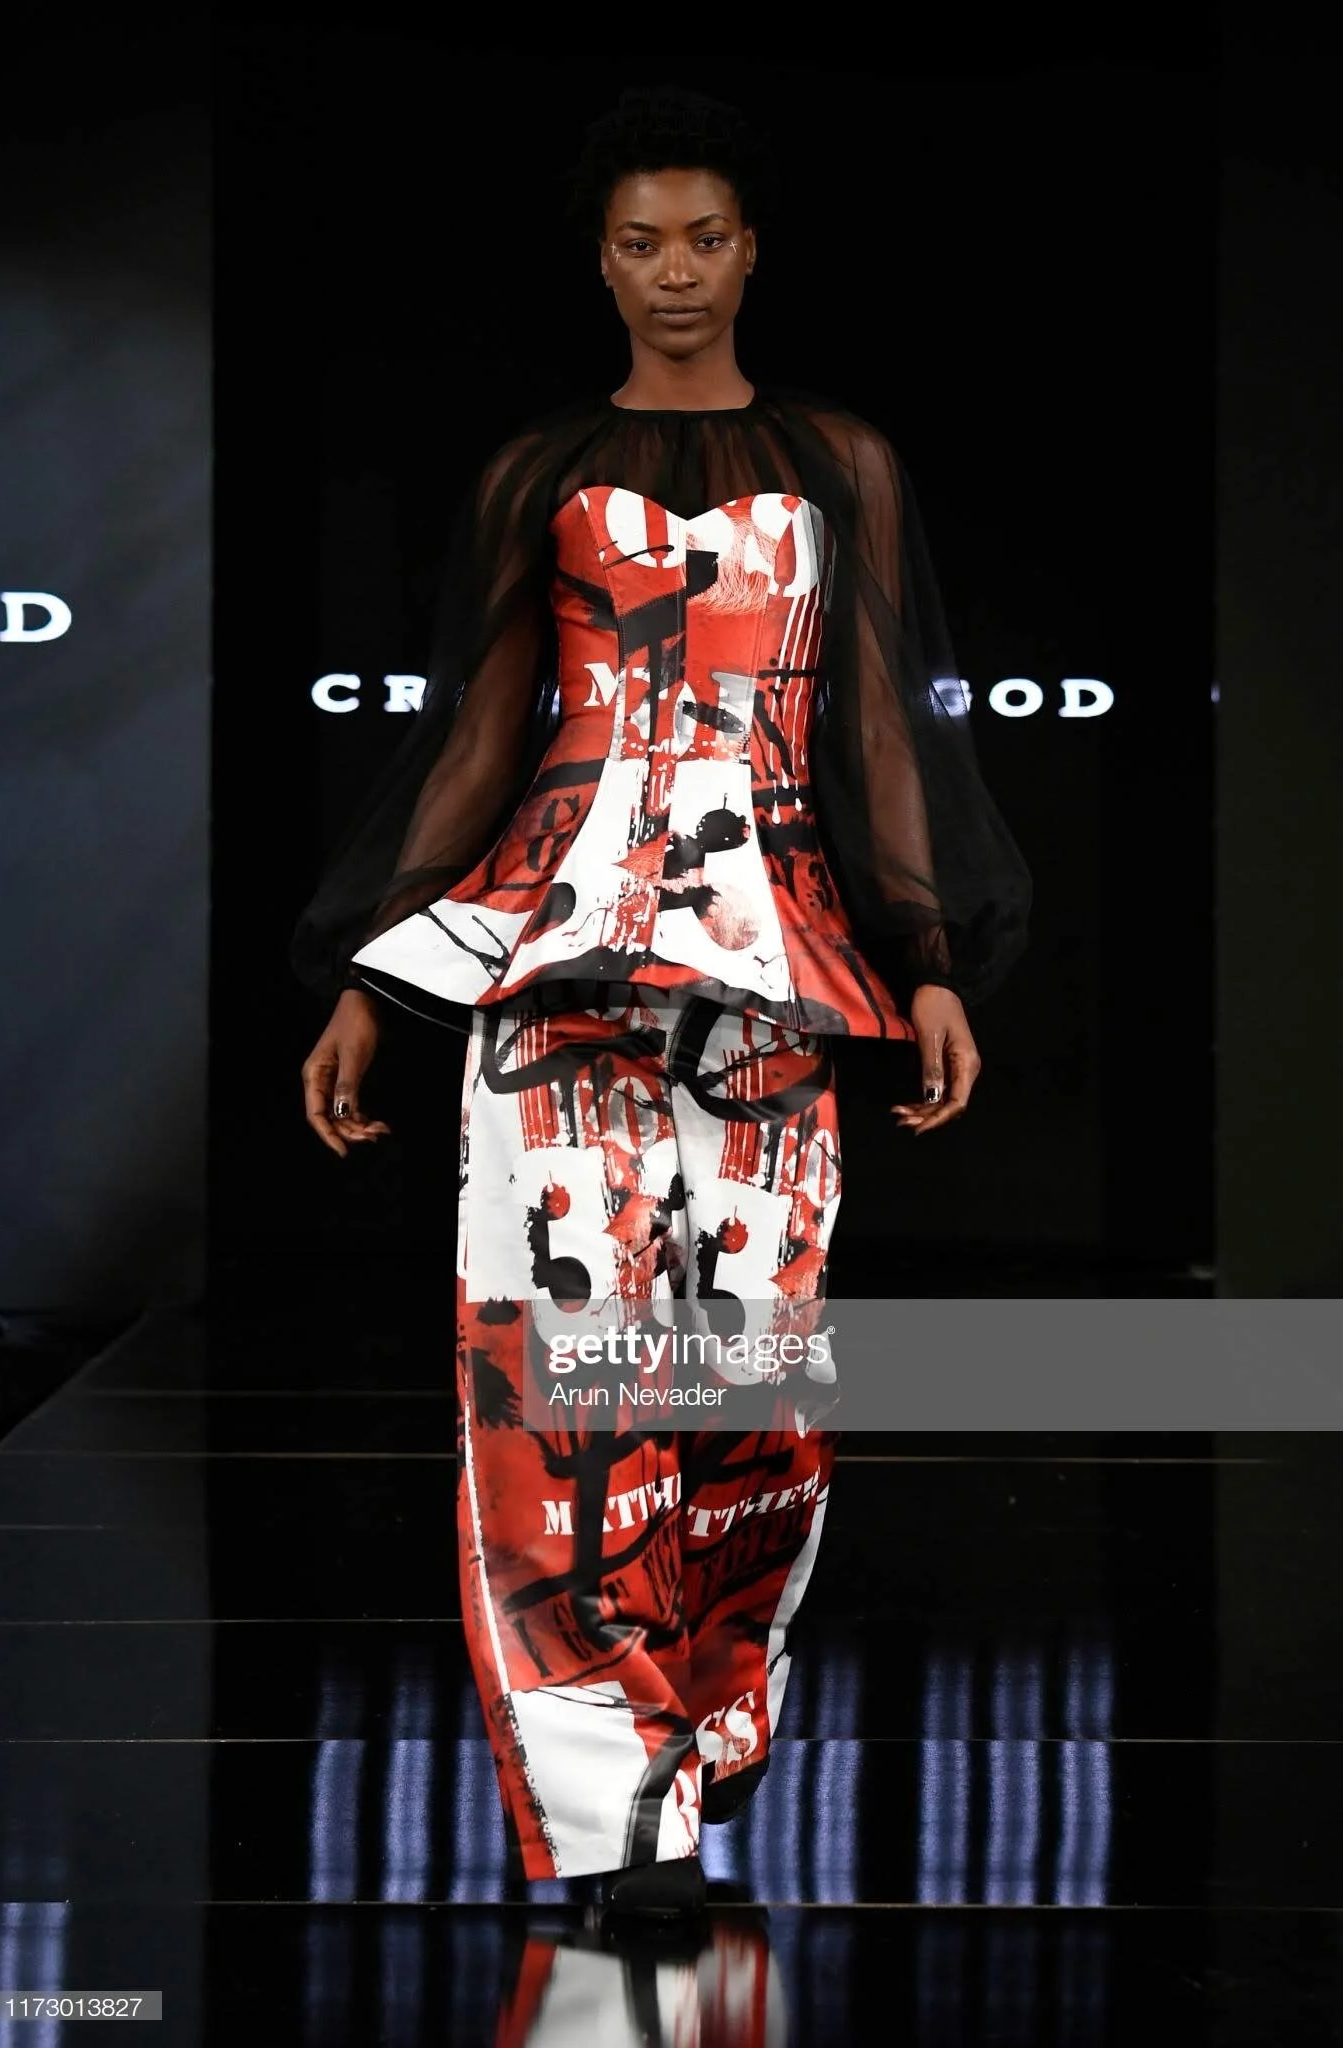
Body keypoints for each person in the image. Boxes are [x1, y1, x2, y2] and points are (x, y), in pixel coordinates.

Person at [292, 86, 1030, 1922]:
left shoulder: (841, 458)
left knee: (749, 1397)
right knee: (548, 1387)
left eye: (704, 237)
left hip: (777, 970)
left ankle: (697, 1764)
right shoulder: (535, 470)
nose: (675, 271)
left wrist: (926, 958)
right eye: (640, 241)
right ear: (601, 259)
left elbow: (872, 725)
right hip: (550, 964)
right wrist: (380, 973)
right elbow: (482, 730)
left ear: (751, 249)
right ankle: (605, 1819)